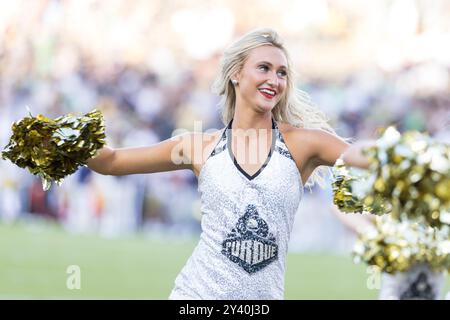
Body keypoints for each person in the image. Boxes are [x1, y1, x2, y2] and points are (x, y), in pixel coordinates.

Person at [86, 28, 371, 299]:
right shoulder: (199, 147)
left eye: (282, 72)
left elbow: (361, 157)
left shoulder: (305, 143)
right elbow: (112, 161)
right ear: (236, 73)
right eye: (264, 68)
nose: (274, 79)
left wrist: (402, 153)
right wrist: (60, 140)